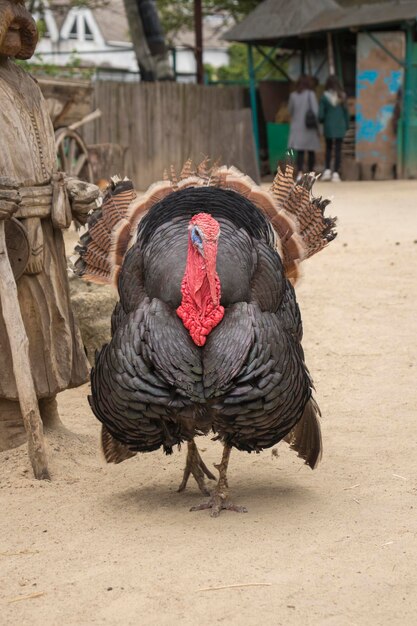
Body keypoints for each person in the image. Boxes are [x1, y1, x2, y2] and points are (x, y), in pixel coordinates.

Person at [0, 0, 99, 451]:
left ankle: (50, 413)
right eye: (8, 27)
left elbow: (46, 157)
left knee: (51, 314)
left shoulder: (26, 84)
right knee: (14, 321)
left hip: (45, 226)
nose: (16, 38)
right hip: (9, 235)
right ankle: (11, 424)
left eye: (22, 29)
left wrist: (67, 190)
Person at [288, 75, 321, 178]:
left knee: (300, 151)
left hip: (297, 127)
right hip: (309, 127)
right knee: (311, 151)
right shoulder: (310, 94)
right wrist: (319, 128)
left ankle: (300, 173)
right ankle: (310, 173)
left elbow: (290, 110)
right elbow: (316, 111)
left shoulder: (293, 95)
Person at [319, 75, 349, 182]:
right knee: (338, 149)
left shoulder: (324, 97)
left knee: (328, 148)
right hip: (340, 126)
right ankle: (336, 173)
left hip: (328, 126)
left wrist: (322, 120)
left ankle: (327, 170)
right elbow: (346, 112)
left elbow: (321, 115)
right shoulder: (342, 96)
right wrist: (347, 125)